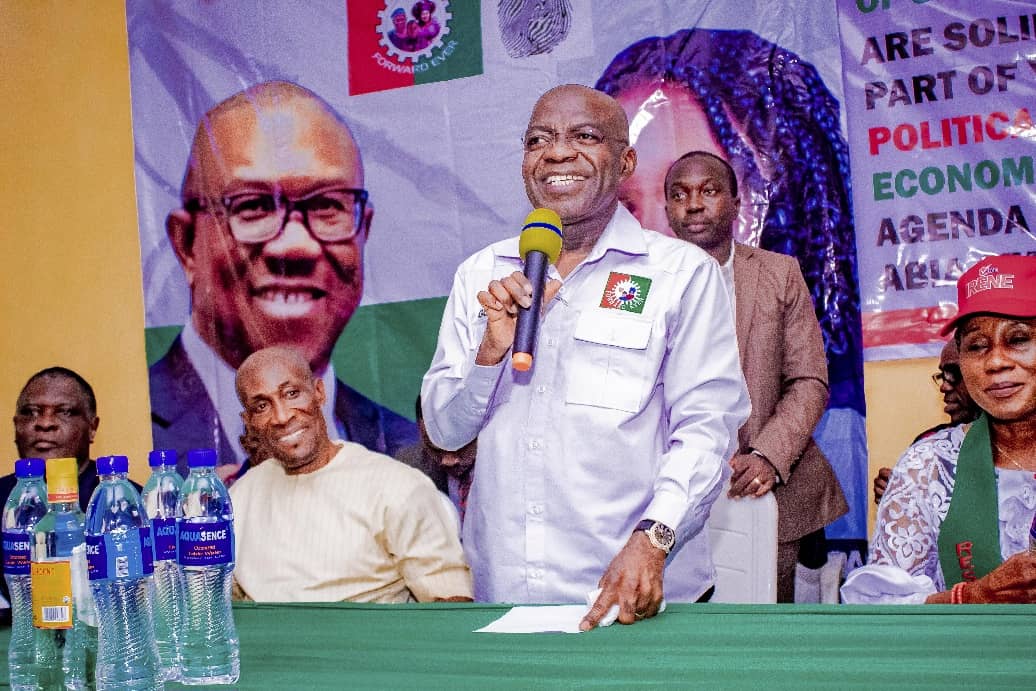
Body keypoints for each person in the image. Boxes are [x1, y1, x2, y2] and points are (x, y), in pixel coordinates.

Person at [422, 84, 750, 629]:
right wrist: (489, 356)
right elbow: (445, 430)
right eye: (538, 140)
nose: (557, 153)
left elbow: (705, 431)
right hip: (505, 595)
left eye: (585, 137)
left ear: (625, 163)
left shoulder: (680, 274)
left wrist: (653, 540)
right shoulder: (480, 273)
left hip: (636, 599)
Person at [150, 80, 415, 481]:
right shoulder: (133, 428)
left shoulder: (405, 452)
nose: (295, 247)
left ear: (364, 230)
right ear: (187, 244)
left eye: (328, 205)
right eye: (254, 206)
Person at [664, 151, 848, 603]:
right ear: (666, 208)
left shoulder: (777, 274)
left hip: (766, 487)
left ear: (735, 202)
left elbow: (808, 379)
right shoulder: (646, 280)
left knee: (768, 623)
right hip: (671, 490)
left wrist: (768, 455)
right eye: (679, 194)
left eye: (708, 191)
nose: (693, 204)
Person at [842, 254, 1036, 605]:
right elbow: (878, 605)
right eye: (977, 346)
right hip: (969, 643)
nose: (995, 362)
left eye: (1018, 339)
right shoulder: (929, 467)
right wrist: (971, 596)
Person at [229, 347, 472, 603]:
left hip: (370, 630)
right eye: (261, 406)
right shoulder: (238, 500)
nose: (282, 416)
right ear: (249, 421)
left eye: (292, 394)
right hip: (266, 631)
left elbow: (450, 603)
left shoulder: (398, 487)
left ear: (319, 392)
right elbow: (217, 603)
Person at [872, 339, 980, 504]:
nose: (944, 386)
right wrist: (896, 498)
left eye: (954, 373)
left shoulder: (1014, 445)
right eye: (942, 376)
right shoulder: (929, 443)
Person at [395, 395, 475, 520]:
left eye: (457, 447)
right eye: (435, 447)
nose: (447, 461)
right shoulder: (409, 468)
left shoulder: (501, 468)